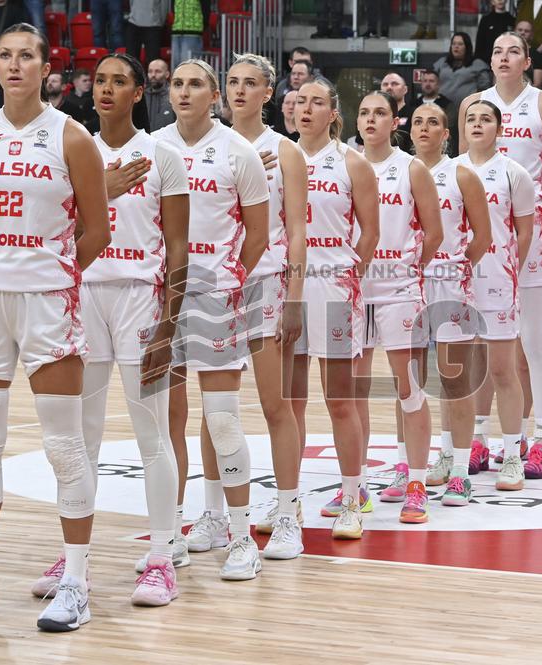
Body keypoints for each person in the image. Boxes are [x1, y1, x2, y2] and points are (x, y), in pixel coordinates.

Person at [0, 23, 111, 632]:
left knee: (63, 445)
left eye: (25, 56)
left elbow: (96, 230)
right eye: (4, 56)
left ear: (45, 67)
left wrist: (54, 276)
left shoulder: (73, 137)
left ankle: (77, 582)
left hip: (47, 301)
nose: (13, 65)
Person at [30, 53, 189, 607]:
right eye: (100, 80)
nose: (105, 89)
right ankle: (77, 557)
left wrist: (172, 317)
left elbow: (177, 246)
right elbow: (55, 227)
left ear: (138, 92)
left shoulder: (163, 155)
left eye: (119, 82)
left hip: (141, 303)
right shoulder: (75, 149)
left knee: (152, 435)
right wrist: (101, 188)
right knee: (82, 438)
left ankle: (162, 558)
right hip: (84, 298)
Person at [155, 59, 271, 580]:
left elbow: (259, 235)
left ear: (214, 95)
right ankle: (171, 533)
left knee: (222, 419)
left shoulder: (238, 152)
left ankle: (242, 536)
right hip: (160, 300)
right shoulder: (152, 146)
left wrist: (226, 279)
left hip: (217, 299)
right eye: (177, 83)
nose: (184, 91)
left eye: (195, 84)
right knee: (166, 421)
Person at [459, 32, 542, 481]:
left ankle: (541, 439)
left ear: (527, 61)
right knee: (483, 347)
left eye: (514, 52)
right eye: (498, 52)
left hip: (526, 239)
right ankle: (481, 439)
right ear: (491, 60)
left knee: (532, 341)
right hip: (480, 246)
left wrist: (533, 227)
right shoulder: (473, 103)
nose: (505, 58)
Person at [225, 54, 308, 558]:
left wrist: (295, 297)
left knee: (275, 404)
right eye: (232, 82)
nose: (238, 90)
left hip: (267, 282)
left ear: (268, 93)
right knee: (219, 406)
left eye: (249, 83)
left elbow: (298, 232)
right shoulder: (209, 145)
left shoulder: (285, 151)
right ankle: (217, 513)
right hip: (216, 285)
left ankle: (288, 512)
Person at [290, 78, 380, 539]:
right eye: (300, 100)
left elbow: (370, 233)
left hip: (335, 288)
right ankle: (289, 503)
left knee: (340, 400)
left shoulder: (352, 163)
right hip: (287, 288)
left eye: (317, 102)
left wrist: (347, 273)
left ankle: (353, 494)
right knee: (291, 401)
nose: (306, 108)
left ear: (333, 114)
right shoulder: (278, 158)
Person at [354, 90, 442, 524]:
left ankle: (417, 486)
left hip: (398, 290)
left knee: (408, 388)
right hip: (349, 291)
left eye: (380, 113)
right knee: (352, 393)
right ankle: (357, 489)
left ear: (395, 122)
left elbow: (435, 234)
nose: (371, 119)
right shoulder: (343, 165)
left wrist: (407, 269)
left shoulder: (411, 169)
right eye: (365, 112)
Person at [411, 104, 492, 503]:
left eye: (433, 122)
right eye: (418, 122)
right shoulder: (400, 172)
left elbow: (482, 238)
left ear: (446, 133)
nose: (424, 128)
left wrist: (454, 267)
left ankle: (461, 470)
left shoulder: (461, 175)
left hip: (449, 286)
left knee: (455, 382)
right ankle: (431, 459)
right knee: (411, 383)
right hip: (408, 285)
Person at [458, 99, 535, 489]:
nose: (477, 124)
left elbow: (524, 232)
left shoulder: (514, 173)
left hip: (498, 281)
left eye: (485, 119)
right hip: (455, 281)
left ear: (499, 128)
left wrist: (509, 270)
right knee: (468, 370)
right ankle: (475, 442)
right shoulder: (447, 171)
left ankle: (512, 454)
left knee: (503, 369)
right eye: (471, 118)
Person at [433, 32, 492, 150]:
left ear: (467, 46)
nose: (456, 46)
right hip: (442, 110)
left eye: (460, 44)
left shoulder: (478, 64)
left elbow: (485, 87)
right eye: (454, 44)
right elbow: (431, 80)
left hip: (467, 111)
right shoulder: (442, 63)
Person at [380, 72, 414, 152]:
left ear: (405, 89)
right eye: (385, 84)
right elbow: (362, 145)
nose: (389, 87)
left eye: (394, 84)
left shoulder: (415, 114)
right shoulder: (372, 115)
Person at [126, 0, 166, 65]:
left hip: (153, 25)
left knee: (153, 61)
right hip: (134, 23)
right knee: (131, 61)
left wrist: (159, 21)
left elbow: (164, 5)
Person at [170, 0, 208, 66]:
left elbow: (206, 10)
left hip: (193, 32)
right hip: (176, 30)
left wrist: (199, 26)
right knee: (175, 65)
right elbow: (173, 9)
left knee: (189, 64)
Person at [144, 59, 175, 131]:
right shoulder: (142, 96)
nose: (153, 75)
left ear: (167, 74)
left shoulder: (174, 96)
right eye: (150, 71)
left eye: (158, 71)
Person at [516, 20, 542, 88]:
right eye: (520, 30)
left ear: (531, 35)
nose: (522, 32)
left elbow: (538, 86)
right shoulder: (505, 52)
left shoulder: (537, 56)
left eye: (526, 31)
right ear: (514, 31)